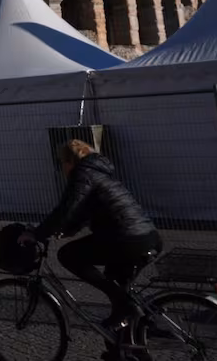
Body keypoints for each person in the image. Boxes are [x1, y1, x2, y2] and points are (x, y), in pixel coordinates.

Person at [21, 139, 163, 332]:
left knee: (68, 255)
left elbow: (66, 209)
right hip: (147, 237)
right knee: (116, 288)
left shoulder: (82, 174)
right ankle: (127, 346)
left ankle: (126, 305)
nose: (61, 168)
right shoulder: (100, 174)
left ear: (69, 161)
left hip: (126, 240)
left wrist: (37, 234)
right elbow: (83, 212)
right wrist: (68, 230)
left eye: (61, 162)